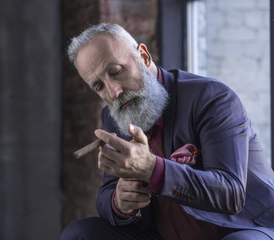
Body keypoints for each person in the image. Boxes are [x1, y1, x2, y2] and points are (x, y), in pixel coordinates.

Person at [60, 23, 274, 240]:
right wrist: (119, 201)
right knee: (79, 234)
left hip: (240, 229)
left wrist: (152, 170)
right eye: (99, 86)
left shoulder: (212, 98)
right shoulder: (114, 115)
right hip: (162, 234)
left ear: (143, 56)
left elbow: (230, 194)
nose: (114, 92)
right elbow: (107, 194)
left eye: (116, 71)